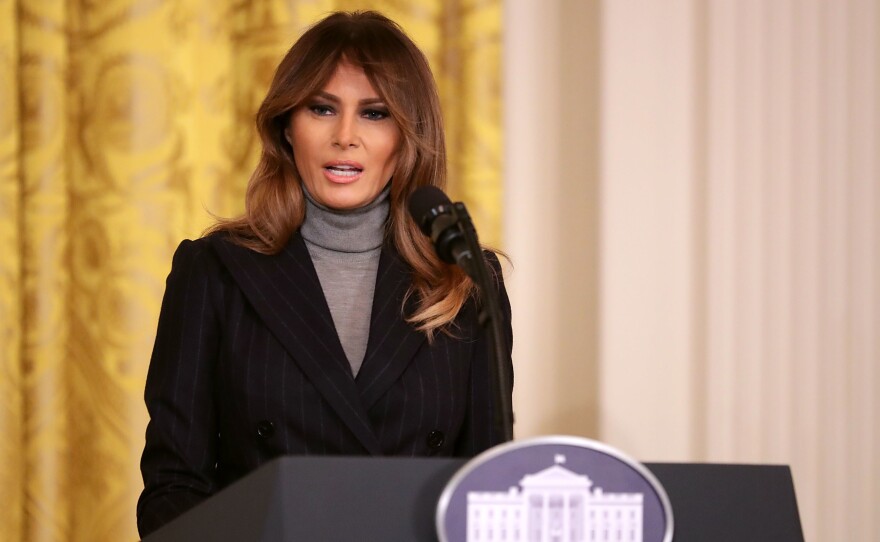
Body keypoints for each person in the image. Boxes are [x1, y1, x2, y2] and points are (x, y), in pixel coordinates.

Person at [136, 10, 513, 537]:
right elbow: (173, 488)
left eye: (375, 113)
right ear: (287, 127)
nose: (345, 136)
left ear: (408, 136)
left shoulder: (467, 279)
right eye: (322, 108)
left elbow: (489, 491)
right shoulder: (214, 272)